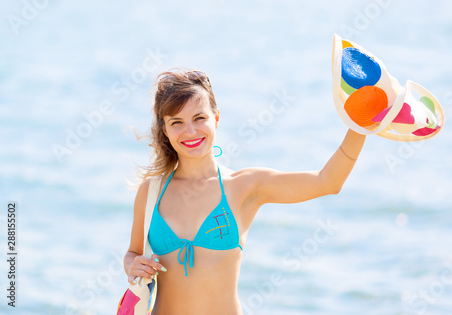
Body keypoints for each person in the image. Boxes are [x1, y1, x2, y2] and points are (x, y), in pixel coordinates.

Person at [123, 68, 366, 314]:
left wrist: (361, 123)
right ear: (165, 129)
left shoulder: (245, 185)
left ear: (216, 119)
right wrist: (133, 264)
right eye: (177, 122)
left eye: (199, 118)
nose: (190, 131)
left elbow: (327, 182)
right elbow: (133, 253)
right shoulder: (151, 192)